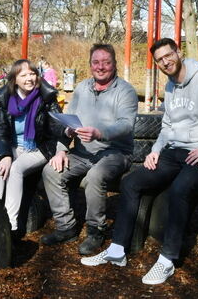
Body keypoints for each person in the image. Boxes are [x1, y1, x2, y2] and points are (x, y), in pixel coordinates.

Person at [80, 38, 198, 285]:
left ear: (178, 52)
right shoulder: (170, 86)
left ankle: (167, 260)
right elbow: (167, 125)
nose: (165, 62)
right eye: (160, 60)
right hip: (175, 151)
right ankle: (117, 250)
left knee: (179, 190)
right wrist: (155, 150)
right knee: (131, 183)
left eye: (168, 55)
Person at [40, 43, 138, 255]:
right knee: (51, 171)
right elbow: (68, 121)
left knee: (95, 175)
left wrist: (99, 133)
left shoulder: (125, 91)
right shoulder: (82, 88)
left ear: (114, 64)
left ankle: (96, 230)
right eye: (96, 62)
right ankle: (66, 227)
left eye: (106, 62)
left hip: (115, 152)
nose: (100, 67)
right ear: (90, 64)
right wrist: (61, 148)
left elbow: (126, 124)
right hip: (83, 152)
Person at [0, 59, 62, 236]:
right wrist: (5, 154)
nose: (29, 78)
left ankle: (10, 224)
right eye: (24, 75)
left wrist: (66, 133)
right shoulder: (6, 98)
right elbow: (1, 131)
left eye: (32, 74)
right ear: (14, 80)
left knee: (16, 169)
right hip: (13, 146)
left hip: (39, 148)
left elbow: (57, 125)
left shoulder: (46, 97)